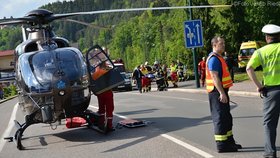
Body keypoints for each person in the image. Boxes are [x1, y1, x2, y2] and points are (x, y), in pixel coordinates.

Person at [246, 24, 280, 158]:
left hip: (271, 92)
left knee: (269, 124)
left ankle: (270, 153)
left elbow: (249, 68)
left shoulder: (260, 52)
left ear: (267, 37)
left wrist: (259, 86)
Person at [206, 36, 242, 153]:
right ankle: (221, 145)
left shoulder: (219, 57)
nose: (223, 45)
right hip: (217, 92)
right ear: (214, 45)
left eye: (224, 43)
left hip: (221, 91)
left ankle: (229, 141)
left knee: (226, 117)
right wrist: (222, 93)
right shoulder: (213, 59)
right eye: (221, 43)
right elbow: (214, 76)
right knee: (220, 118)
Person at [92, 61, 115, 132]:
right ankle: (109, 125)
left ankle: (101, 123)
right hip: (107, 91)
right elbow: (112, 72)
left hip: (100, 93)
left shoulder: (95, 73)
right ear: (104, 64)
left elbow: (93, 82)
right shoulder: (106, 70)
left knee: (101, 109)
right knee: (109, 108)